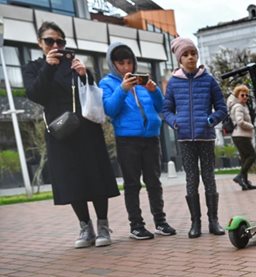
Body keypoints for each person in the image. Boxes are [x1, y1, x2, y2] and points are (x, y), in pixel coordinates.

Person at [22, 21, 119, 248]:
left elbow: (91, 93)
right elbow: (36, 94)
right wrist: (48, 66)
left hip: (86, 128)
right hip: (60, 131)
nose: (55, 45)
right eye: (50, 41)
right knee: (71, 179)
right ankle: (86, 227)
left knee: (95, 175)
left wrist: (86, 75)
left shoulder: (72, 64)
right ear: (40, 43)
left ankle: (103, 225)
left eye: (60, 41)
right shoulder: (34, 68)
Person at [99, 42, 176, 240]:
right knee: (132, 184)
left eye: (129, 63)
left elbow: (160, 106)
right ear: (113, 64)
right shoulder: (107, 83)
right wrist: (123, 89)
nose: (126, 68)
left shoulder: (142, 82)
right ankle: (136, 225)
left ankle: (160, 221)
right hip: (127, 140)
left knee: (154, 182)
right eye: (121, 63)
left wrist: (154, 90)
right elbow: (110, 110)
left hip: (151, 138)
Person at [162, 37, 227, 238]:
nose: (191, 57)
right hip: (185, 139)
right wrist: (175, 122)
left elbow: (222, 108)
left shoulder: (208, 80)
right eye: (186, 55)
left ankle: (213, 221)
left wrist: (210, 120)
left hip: (205, 137)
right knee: (191, 179)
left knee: (209, 177)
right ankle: (195, 223)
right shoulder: (173, 83)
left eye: (193, 54)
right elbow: (166, 109)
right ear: (179, 59)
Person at [227, 84, 256, 190]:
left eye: (246, 95)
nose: (245, 97)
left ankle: (245, 183)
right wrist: (251, 126)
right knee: (252, 156)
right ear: (237, 96)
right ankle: (240, 176)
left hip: (241, 136)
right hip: (240, 136)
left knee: (245, 159)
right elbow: (240, 122)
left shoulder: (243, 106)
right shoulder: (238, 106)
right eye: (242, 95)